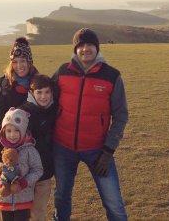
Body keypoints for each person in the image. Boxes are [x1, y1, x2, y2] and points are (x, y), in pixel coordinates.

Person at [52, 28, 129, 221]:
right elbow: (43, 98)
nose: (85, 49)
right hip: (63, 148)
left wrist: (108, 150)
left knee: (114, 202)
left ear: (97, 48)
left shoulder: (111, 76)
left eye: (90, 45)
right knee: (61, 198)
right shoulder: (62, 72)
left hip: (98, 151)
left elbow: (121, 115)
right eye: (81, 45)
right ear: (75, 49)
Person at [0, 37, 38, 221]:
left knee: (22, 180)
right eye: (15, 62)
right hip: (4, 138)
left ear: (30, 61)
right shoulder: (3, 83)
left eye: (23, 61)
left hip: (26, 141)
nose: (19, 65)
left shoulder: (36, 82)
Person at [0, 108, 43, 221]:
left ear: (23, 130)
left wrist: (24, 182)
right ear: (3, 132)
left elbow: (38, 170)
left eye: (17, 130)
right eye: (9, 131)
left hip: (23, 198)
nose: (12, 135)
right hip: (4, 198)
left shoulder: (29, 150)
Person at [19, 74, 56, 221]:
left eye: (47, 92)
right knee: (22, 212)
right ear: (31, 93)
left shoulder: (55, 110)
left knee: (39, 211)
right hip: (25, 174)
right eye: (39, 92)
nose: (43, 96)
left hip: (45, 173)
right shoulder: (22, 113)